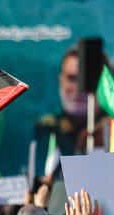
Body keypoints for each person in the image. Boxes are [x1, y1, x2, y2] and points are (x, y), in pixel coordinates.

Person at [34, 46, 108, 174]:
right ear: (61, 81)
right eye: (72, 78)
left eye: (87, 80)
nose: (79, 88)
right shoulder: (46, 128)